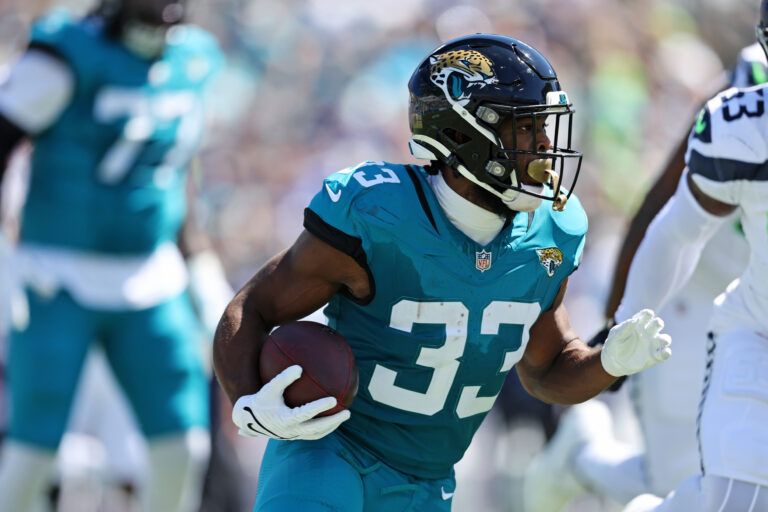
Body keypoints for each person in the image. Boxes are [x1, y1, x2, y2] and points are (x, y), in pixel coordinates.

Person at [213, 33, 672, 512]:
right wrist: (248, 400)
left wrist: (607, 362)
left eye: (545, 128)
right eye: (524, 129)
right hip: (329, 453)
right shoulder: (379, 214)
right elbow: (254, 307)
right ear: (462, 135)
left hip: (430, 484)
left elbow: (546, 371)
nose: (543, 147)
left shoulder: (552, 230)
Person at [523, 35, 768, 512]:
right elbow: (663, 219)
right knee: (683, 477)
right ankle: (584, 459)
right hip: (695, 289)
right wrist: (620, 325)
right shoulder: (746, 103)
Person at [0, 1, 224, 510]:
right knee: (33, 450)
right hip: (54, 275)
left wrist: (201, 264)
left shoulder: (194, 58)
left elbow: (172, 170)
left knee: (183, 446)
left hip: (150, 277)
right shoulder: (67, 53)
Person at [614, 3, 768, 509]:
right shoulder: (743, 126)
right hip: (754, 328)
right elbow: (674, 230)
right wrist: (623, 322)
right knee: (731, 496)